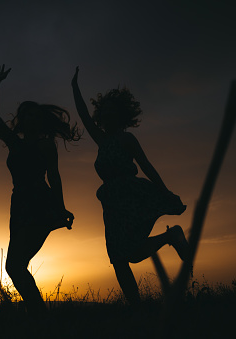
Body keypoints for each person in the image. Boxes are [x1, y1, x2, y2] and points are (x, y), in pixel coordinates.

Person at [71, 67, 190, 306]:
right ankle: (136, 306)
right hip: (111, 202)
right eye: (105, 112)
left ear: (121, 116)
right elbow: (83, 115)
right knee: (118, 256)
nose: (108, 116)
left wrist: (165, 192)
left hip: (130, 197)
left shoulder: (127, 139)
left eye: (113, 112)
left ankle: (171, 236)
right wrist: (74, 88)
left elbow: (146, 166)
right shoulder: (101, 140)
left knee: (130, 252)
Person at [0, 65, 79, 315]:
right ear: (21, 120)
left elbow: (55, 177)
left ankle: (40, 316)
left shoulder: (46, 145)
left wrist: (60, 209)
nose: (32, 119)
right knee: (17, 266)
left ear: (42, 122)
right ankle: (39, 316)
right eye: (27, 115)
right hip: (19, 204)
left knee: (14, 266)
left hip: (39, 203)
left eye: (36, 115)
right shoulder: (14, 143)